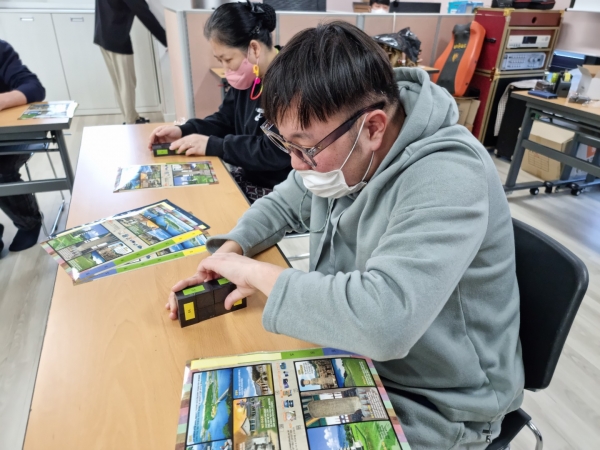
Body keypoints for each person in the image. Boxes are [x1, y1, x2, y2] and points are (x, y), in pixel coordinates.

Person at [165, 22, 525, 449]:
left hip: (440, 401)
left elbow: (384, 322)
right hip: (358, 357)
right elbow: (284, 202)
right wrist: (229, 253)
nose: (296, 164)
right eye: (286, 145)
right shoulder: (345, 146)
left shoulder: (449, 175)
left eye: (306, 148)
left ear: (373, 128)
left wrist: (256, 274)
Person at [148, 1, 291, 203]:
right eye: (220, 60)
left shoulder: (290, 82)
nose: (226, 68)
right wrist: (184, 130)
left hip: (278, 192)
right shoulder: (250, 76)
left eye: (227, 59)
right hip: (248, 178)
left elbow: (273, 151)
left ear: (254, 48)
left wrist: (214, 145)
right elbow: (225, 120)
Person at [0, 39, 46, 254]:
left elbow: (34, 88)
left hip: (10, 135)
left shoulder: (1, 50)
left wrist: (3, 100)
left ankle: (29, 222)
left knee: (1, 170)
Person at [94, 0, 167, 124]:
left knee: (119, 84)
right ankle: (131, 123)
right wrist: (167, 41)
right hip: (117, 40)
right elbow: (143, 13)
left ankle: (131, 117)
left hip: (102, 36)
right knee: (127, 84)